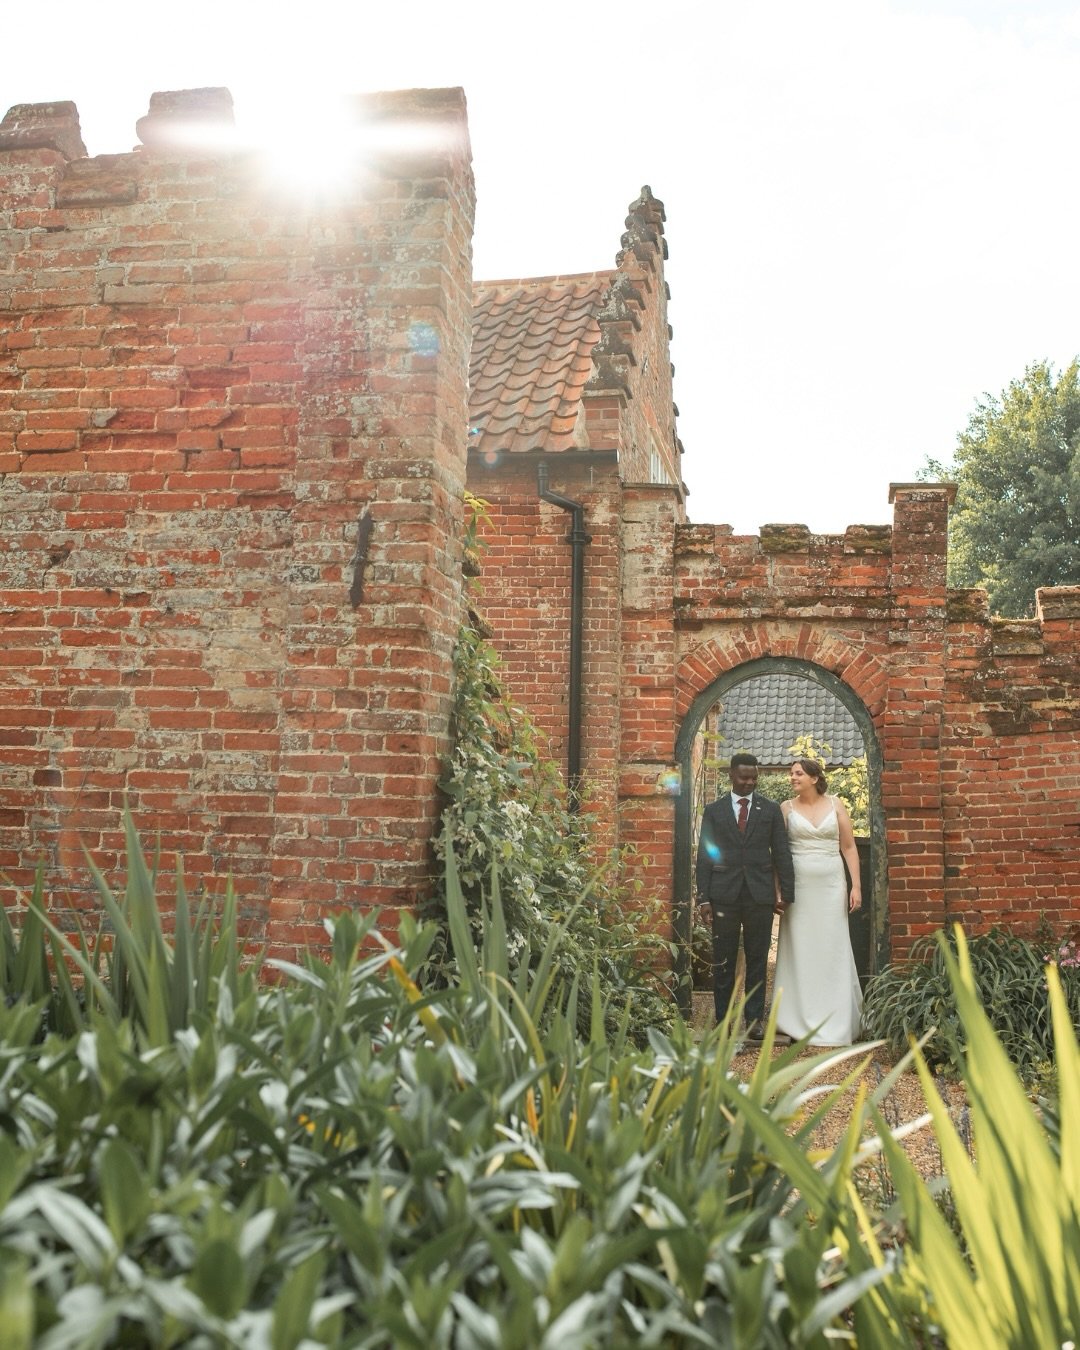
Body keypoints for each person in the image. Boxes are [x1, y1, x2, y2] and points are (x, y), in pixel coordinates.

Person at [695, 752, 795, 1039]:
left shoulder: (770, 810)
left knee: (757, 959)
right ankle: (723, 1020)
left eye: (754, 778)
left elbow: (782, 852)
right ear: (731, 775)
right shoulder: (714, 811)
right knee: (723, 960)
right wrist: (703, 898)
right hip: (722, 896)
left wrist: (786, 892)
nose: (749, 783)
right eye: (744, 777)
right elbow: (705, 856)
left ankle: (754, 1021)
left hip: (759, 896)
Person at [773, 757, 863, 1046]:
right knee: (800, 947)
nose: (792, 777)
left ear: (814, 778)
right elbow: (778, 853)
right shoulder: (786, 808)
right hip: (798, 889)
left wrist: (856, 886)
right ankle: (796, 1017)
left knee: (832, 945)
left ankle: (836, 1017)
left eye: (798, 773)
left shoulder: (836, 805)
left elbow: (849, 847)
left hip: (831, 886)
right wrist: (778, 888)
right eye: (791, 773)